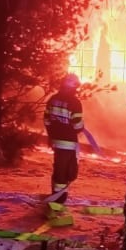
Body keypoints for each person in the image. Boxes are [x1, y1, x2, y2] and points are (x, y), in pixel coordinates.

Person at [43, 73, 85, 215]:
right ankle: (59, 198)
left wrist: (51, 135)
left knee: (59, 167)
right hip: (68, 142)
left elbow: (47, 120)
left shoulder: (52, 99)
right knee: (68, 171)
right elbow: (77, 124)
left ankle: (57, 195)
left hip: (56, 140)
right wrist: (81, 128)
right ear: (74, 87)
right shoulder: (75, 102)